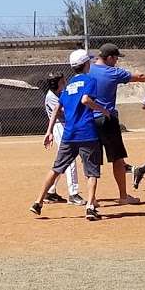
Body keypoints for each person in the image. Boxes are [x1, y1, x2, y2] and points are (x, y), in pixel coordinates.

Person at [32, 49, 110, 221]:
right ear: (86, 64)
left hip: (69, 134)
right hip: (87, 133)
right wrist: (104, 110)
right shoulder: (89, 80)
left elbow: (57, 109)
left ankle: (38, 201)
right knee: (91, 172)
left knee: (56, 169)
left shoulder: (68, 87)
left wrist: (48, 131)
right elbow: (86, 100)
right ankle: (90, 207)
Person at [89, 43, 145, 205]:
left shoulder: (88, 69)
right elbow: (139, 77)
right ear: (109, 58)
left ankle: (92, 199)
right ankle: (123, 196)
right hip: (107, 119)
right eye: (115, 58)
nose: (117, 61)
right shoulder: (113, 72)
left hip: (89, 120)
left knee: (93, 160)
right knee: (117, 159)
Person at [42, 73, 86, 206]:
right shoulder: (51, 96)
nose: (65, 83)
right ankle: (73, 194)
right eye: (62, 81)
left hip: (65, 126)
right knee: (70, 160)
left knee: (61, 161)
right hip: (60, 127)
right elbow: (63, 113)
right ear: (56, 83)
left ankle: (50, 192)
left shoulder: (61, 93)